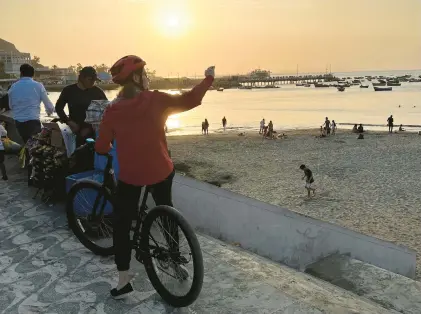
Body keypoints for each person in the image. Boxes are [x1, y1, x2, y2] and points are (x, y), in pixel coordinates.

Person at [95, 55, 215, 299]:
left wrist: (105, 148)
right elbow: (191, 99)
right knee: (165, 208)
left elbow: (101, 146)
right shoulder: (156, 99)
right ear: (138, 78)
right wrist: (208, 78)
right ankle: (174, 256)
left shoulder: (112, 110)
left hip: (131, 175)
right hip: (161, 168)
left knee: (122, 223)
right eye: (145, 75)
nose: (148, 78)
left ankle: (123, 278)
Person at [8, 64, 55, 185]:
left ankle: (32, 177)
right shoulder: (38, 85)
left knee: (29, 147)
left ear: (21, 73)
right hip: (33, 121)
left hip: (19, 122)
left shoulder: (13, 87)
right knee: (35, 149)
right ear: (33, 74)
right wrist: (50, 113)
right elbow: (49, 106)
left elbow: (10, 105)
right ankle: (33, 178)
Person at [55, 66, 108, 147]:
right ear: (81, 78)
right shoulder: (68, 90)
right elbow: (59, 108)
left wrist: (89, 128)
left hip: (92, 130)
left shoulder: (98, 92)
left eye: (94, 80)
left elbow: (106, 112)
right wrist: (68, 121)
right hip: (73, 127)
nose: (92, 82)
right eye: (90, 80)